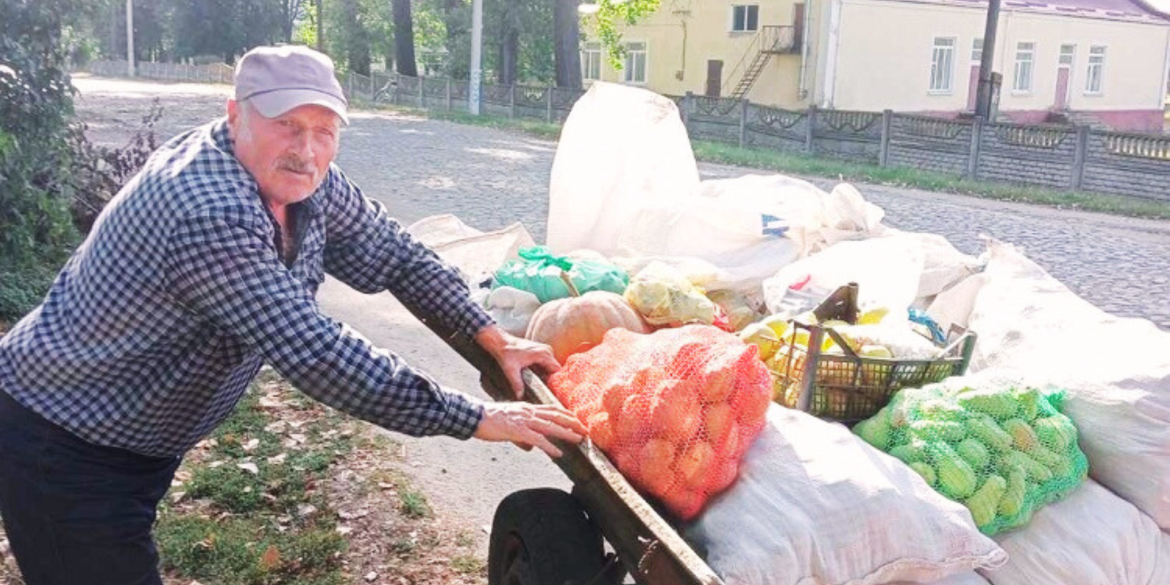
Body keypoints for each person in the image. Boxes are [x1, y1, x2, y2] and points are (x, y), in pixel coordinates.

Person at [0, 45, 585, 584]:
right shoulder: (204, 210)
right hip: (63, 439)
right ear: (236, 116)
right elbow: (316, 352)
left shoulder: (306, 178)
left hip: (130, 436)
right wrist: (474, 416)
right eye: (287, 126)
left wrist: (490, 333)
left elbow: (397, 254)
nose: (307, 150)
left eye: (324, 131)